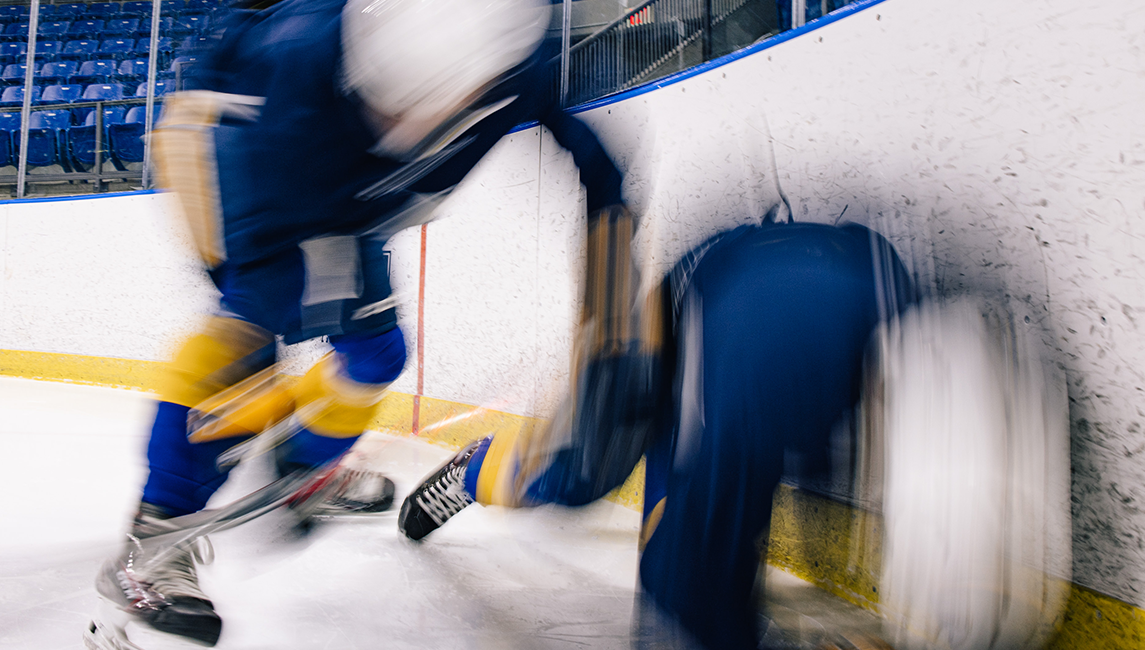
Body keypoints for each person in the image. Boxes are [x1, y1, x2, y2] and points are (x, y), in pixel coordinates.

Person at [87, 0, 628, 645]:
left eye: (421, 109)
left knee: (376, 354)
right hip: (236, 142)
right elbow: (256, 250)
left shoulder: (509, 51)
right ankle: (152, 534)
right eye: (384, 103)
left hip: (344, 188)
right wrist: (256, 347)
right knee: (241, 350)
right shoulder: (304, 63)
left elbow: (595, 164)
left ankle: (305, 468)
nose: (402, 123)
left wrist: (613, 284)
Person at [399, 218, 917, 649]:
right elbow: (682, 581)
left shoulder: (889, 304)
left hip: (742, 295)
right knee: (585, 476)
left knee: (704, 536)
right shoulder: (754, 401)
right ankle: (479, 468)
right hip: (676, 332)